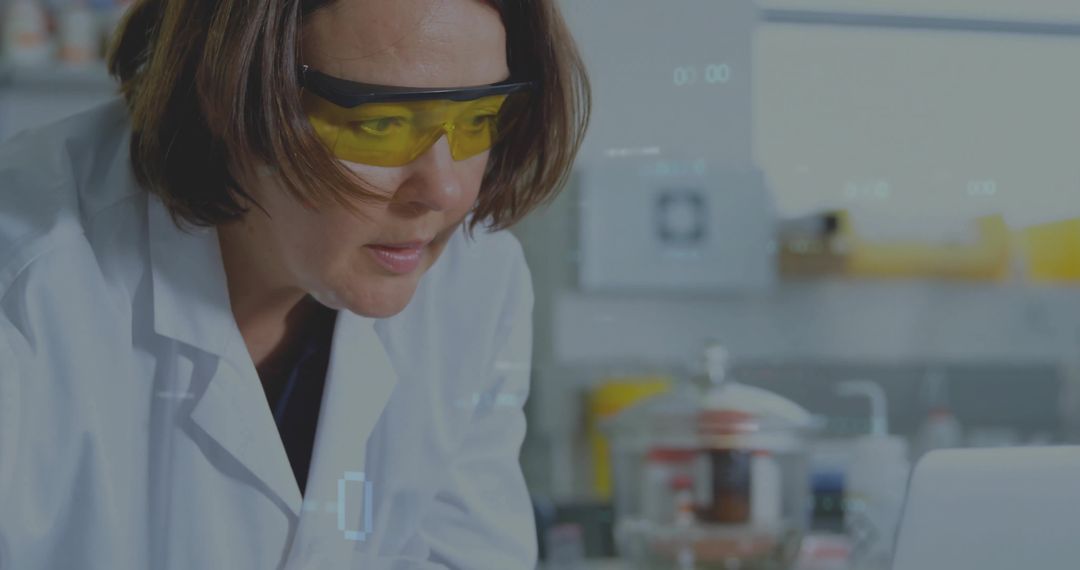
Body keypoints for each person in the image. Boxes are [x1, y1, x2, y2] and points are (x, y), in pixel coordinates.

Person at [0, 0, 589, 566]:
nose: (447, 192)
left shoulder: (477, 280)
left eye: (479, 119)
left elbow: (463, 554)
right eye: (380, 124)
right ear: (228, 93)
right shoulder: (26, 288)